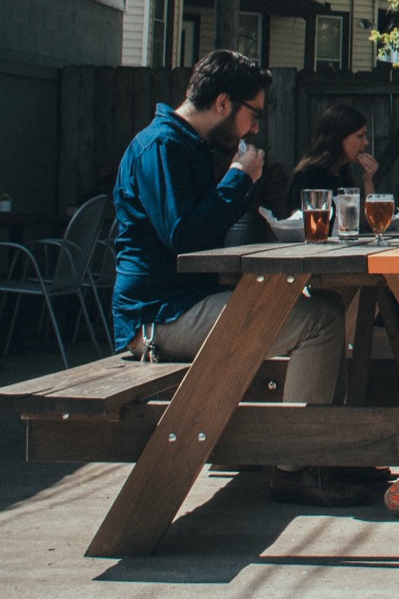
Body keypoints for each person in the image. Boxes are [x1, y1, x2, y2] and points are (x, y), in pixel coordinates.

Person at [110, 50, 360, 508]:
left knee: (326, 310)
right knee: (320, 320)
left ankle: (324, 450)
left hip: (184, 303)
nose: (256, 128)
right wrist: (238, 178)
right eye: (253, 114)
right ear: (223, 103)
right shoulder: (161, 146)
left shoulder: (186, 145)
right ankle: (294, 466)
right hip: (157, 318)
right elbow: (184, 237)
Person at [282, 104, 380, 214]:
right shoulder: (309, 178)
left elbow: (368, 219)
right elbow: (299, 223)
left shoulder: (342, 172)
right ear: (339, 138)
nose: (366, 142)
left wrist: (368, 181)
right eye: (360, 136)